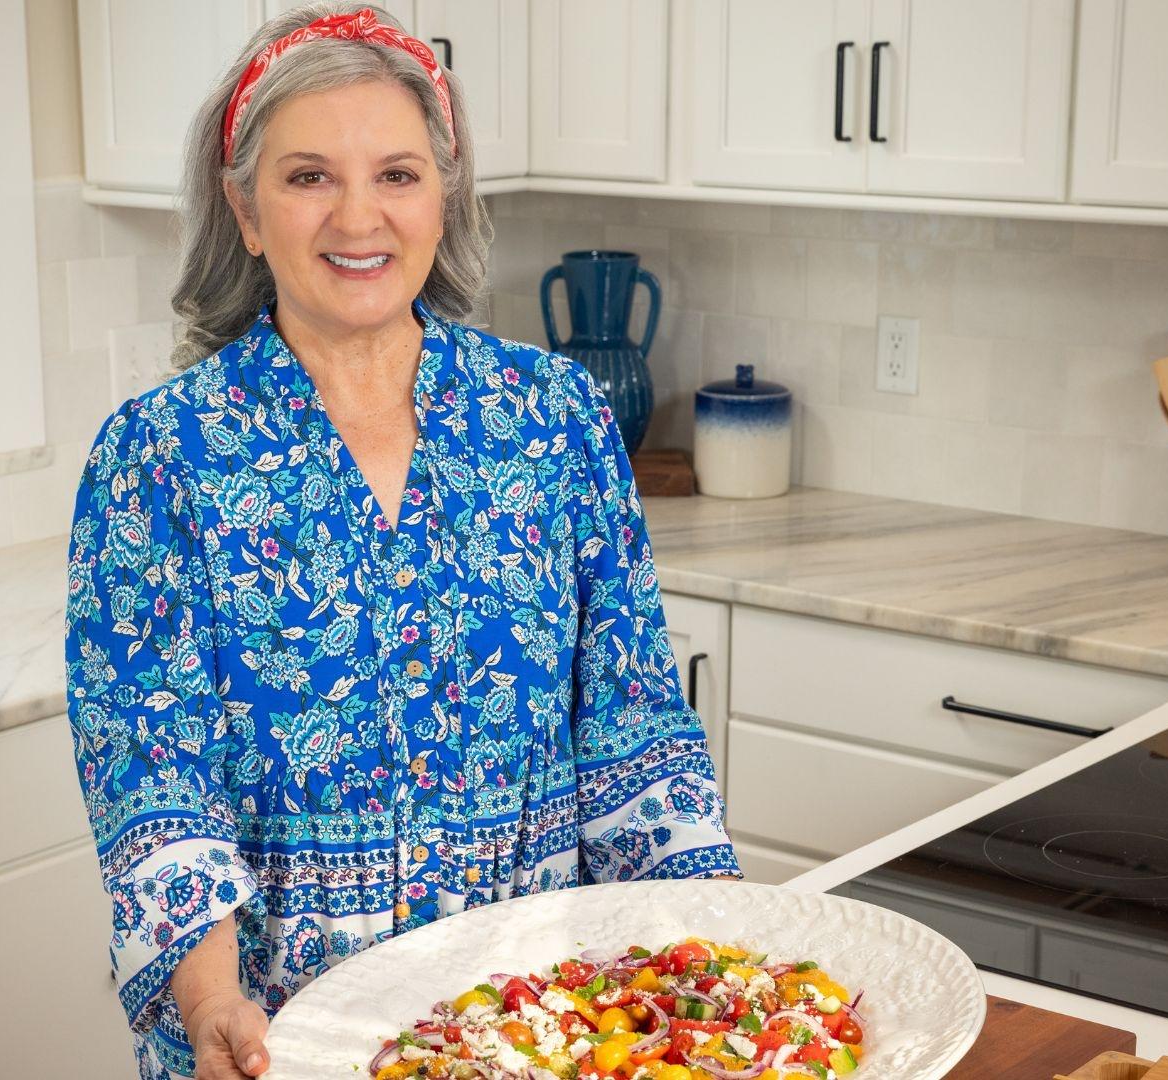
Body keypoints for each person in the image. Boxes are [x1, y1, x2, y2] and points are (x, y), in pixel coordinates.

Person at [62, 5, 740, 1077]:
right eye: (307, 177)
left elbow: (634, 728)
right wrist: (210, 1001)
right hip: (282, 1043)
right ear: (244, 210)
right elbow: (151, 776)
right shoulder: (160, 457)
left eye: (398, 174)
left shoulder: (554, 419)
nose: (358, 217)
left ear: (443, 198)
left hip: (537, 1031)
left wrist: (713, 973)